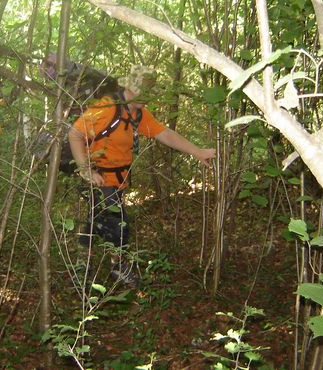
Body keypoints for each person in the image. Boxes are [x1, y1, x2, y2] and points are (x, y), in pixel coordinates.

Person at [68, 64, 216, 285]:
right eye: (143, 94)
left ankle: (83, 266)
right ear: (130, 88)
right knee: (119, 224)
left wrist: (197, 151)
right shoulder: (106, 108)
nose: (146, 100)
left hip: (118, 179)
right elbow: (75, 134)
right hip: (99, 178)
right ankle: (117, 266)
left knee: (95, 219)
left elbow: (164, 133)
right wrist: (86, 170)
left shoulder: (137, 113)